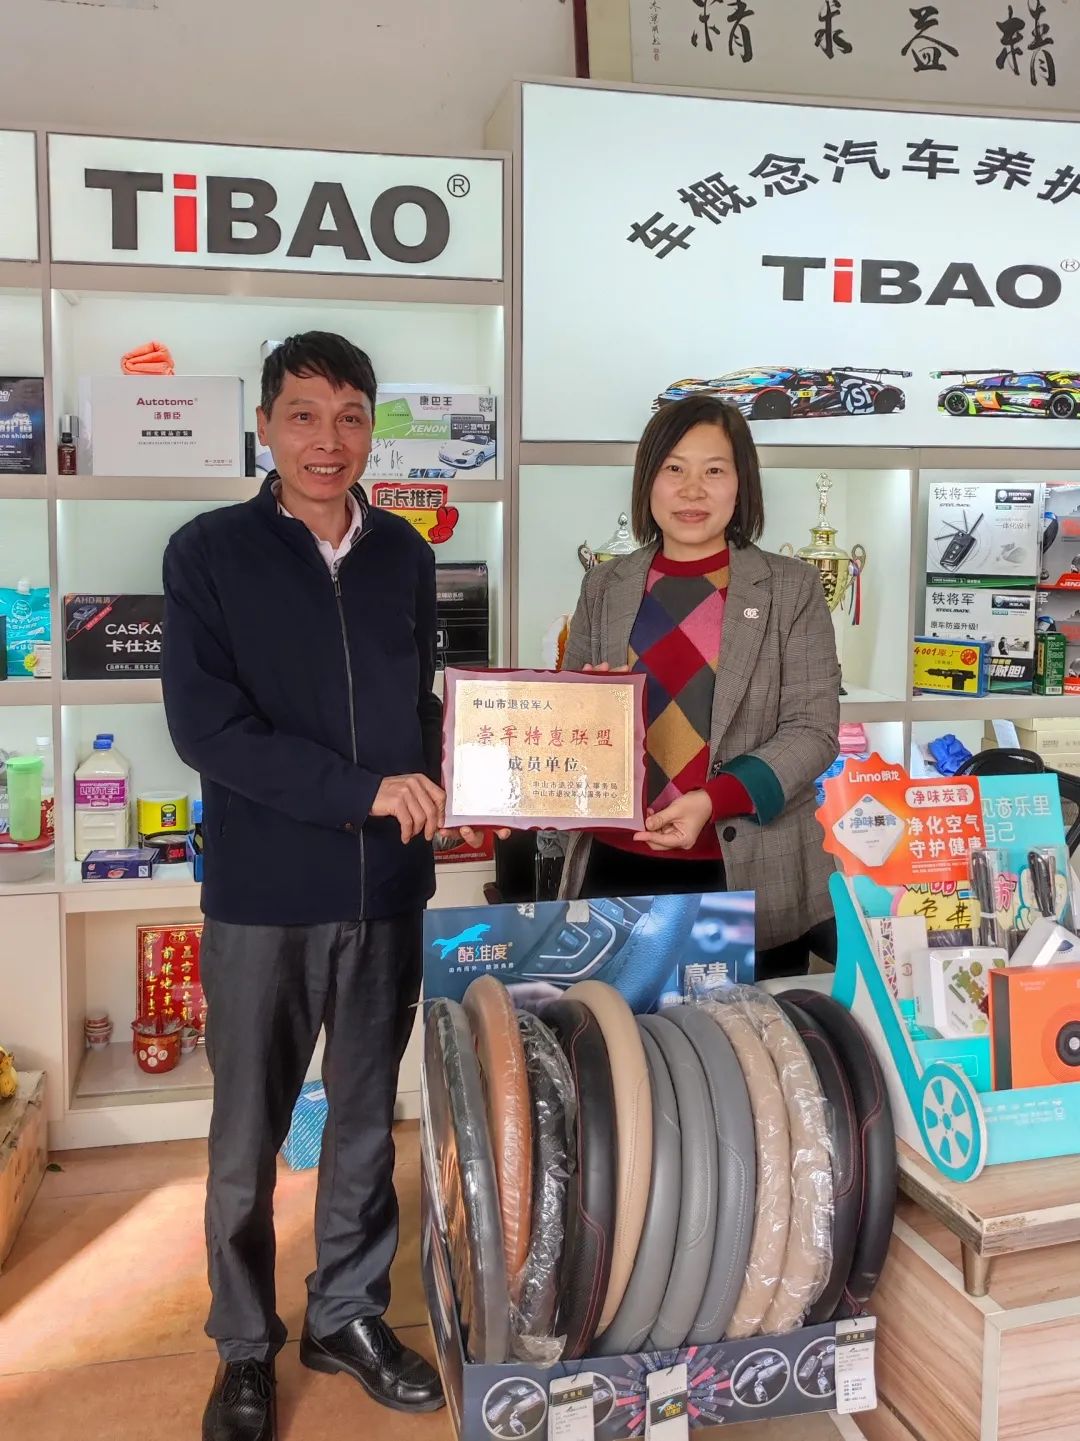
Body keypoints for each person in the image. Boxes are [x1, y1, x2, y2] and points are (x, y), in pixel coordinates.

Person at [163, 332, 461, 1440]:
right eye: (302, 415)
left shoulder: (406, 554)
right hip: (264, 893)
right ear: (265, 427)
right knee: (246, 1139)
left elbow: (421, 706)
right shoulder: (209, 553)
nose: (326, 440)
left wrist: (467, 775)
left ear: (372, 428)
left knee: (366, 1125)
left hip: (387, 891)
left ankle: (346, 1315)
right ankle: (244, 1344)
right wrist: (364, 789)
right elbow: (208, 730)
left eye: (348, 416)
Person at [559, 394, 840, 978]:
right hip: (616, 865)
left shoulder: (792, 587)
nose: (692, 490)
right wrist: (586, 708)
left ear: (742, 485)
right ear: (648, 481)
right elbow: (565, 724)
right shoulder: (605, 586)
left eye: (714, 470)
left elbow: (813, 731)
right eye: (674, 468)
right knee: (615, 1030)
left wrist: (714, 799)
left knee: (749, 1035)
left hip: (746, 869)